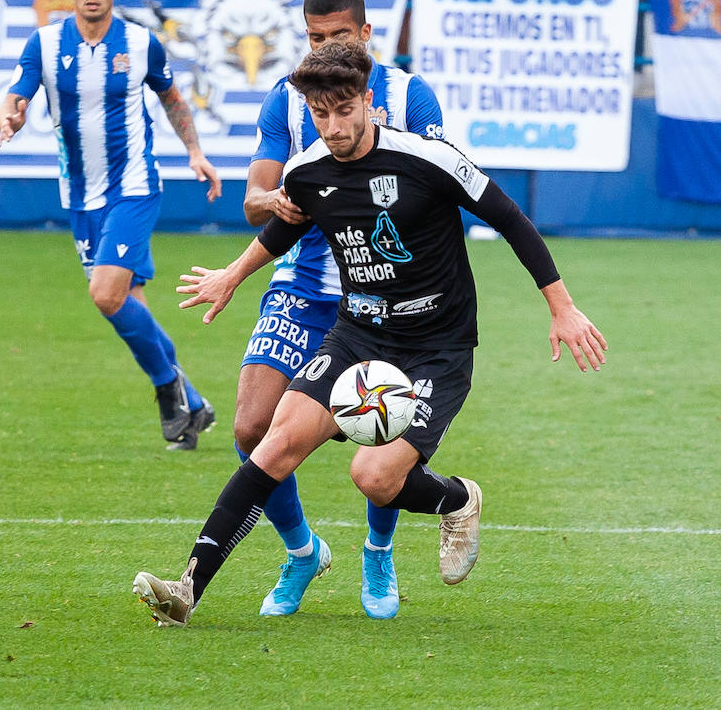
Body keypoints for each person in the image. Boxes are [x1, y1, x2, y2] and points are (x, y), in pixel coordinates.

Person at [132, 39, 607, 626]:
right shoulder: (306, 173)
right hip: (357, 335)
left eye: (343, 111)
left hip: (437, 347)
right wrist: (233, 275)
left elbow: (508, 217)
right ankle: (187, 591)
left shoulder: (428, 159)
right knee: (272, 443)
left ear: (368, 102)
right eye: (319, 114)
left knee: (374, 477)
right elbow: (282, 232)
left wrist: (561, 306)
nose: (331, 127)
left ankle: (458, 500)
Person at [235, 0, 443, 619]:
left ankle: (378, 553)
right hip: (301, 285)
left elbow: (444, 185)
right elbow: (254, 197)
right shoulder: (289, 101)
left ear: (366, 35)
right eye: (314, 38)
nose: (324, 50)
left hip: (384, 295)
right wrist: (274, 202)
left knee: (380, 432)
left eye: (337, 37)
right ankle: (302, 553)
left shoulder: (410, 96)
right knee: (250, 427)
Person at [0, 0, 223, 450]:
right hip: (79, 196)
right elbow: (16, 93)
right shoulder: (45, 45)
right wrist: (9, 116)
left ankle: (168, 391)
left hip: (134, 186)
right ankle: (194, 403)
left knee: (105, 294)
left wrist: (195, 152)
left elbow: (173, 98)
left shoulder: (141, 44)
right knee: (128, 304)